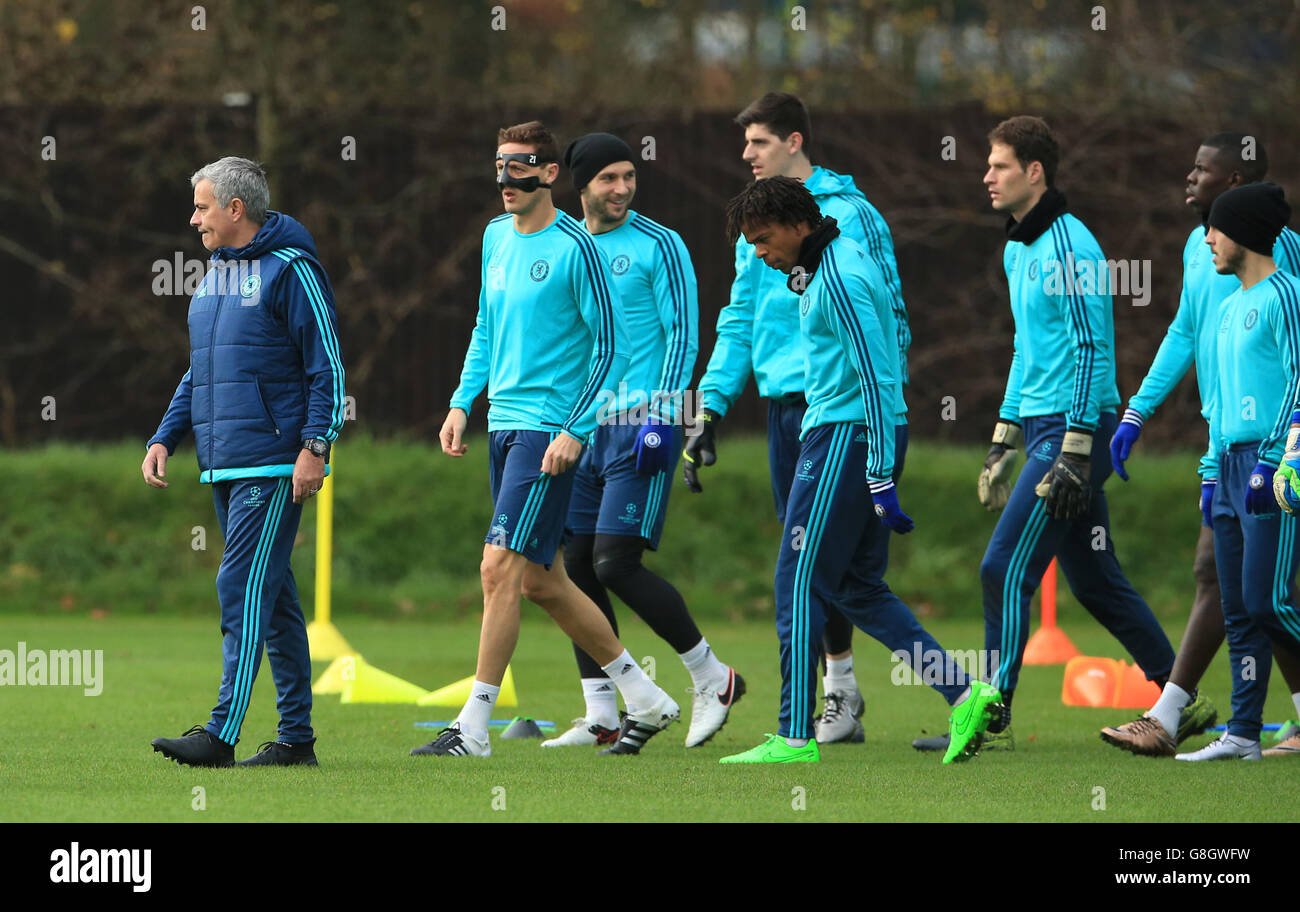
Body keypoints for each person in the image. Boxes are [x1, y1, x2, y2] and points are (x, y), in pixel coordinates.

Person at [716, 176, 1000, 765]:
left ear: (799, 225)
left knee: (796, 579)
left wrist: (877, 471)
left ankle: (793, 737)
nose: (760, 253)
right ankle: (965, 693)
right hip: (861, 430)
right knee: (855, 587)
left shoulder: (841, 275)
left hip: (845, 434)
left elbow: (877, 373)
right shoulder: (830, 261)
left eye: (764, 240)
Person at [416, 121, 679, 758]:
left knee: (497, 568)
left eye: (521, 166)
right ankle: (646, 697)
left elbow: (611, 348)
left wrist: (577, 428)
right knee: (544, 582)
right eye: (499, 165)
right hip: (504, 425)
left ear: (550, 174)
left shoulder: (576, 248)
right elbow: (484, 326)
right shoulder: (493, 238)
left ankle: (473, 728)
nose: (506, 179)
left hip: (547, 433)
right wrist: (460, 402)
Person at [687, 92, 913, 744]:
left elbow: (889, 312)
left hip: (845, 411)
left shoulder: (848, 214)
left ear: (792, 140)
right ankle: (837, 700)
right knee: (814, 565)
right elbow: (738, 319)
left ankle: (829, 705)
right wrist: (710, 405)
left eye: (757, 142)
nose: (746, 154)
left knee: (826, 569)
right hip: (787, 409)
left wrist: (885, 417)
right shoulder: (757, 224)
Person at [957, 117, 1177, 754]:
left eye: (998, 166)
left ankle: (989, 711)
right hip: (1046, 427)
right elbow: (1028, 349)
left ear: (1034, 172)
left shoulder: (1072, 247)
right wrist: (1004, 436)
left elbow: (1091, 350)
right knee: (1096, 582)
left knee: (1003, 566)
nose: (986, 177)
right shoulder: (1016, 247)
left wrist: (1076, 449)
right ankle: (1178, 697)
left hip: (1079, 430)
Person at [540, 133, 743, 750]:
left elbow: (683, 337)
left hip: (641, 423)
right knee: (574, 567)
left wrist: (670, 417)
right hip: (581, 427)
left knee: (615, 562)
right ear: (581, 186)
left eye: (629, 176)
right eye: (608, 179)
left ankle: (713, 676)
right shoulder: (566, 247)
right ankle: (602, 712)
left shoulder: (661, 244)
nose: (623, 188)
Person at [1101, 134, 1300, 757]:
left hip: (1274, 454)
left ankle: (1172, 712)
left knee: (1244, 587)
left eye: (1202, 170)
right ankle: (1243, 729)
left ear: (1236, 186)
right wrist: (1137, 410)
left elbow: (1289, 367)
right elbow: (1188, 333)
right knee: (1238, 589)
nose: (1188, 177)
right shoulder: (1201, 248)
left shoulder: (1281, 261)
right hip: (1228, 449)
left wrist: (1284, 454)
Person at [147, 156, 346, 768]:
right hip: (223, 464)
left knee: (238, 584)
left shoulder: (291, 270)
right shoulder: (211, 278)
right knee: (277, 599)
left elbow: (329, 368)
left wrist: (314, 448)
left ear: (236, 209)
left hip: (271, 464)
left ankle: (221, 735)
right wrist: (165, 436)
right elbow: (201, 372)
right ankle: (296, 742)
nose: (193, 219)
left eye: (202, 207)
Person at [1173, 182, 1300, 760]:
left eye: (1215, 229)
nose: (1207, 240)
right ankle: (1244, 733)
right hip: (1228, 467)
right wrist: (1209, 468)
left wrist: (1274, 459)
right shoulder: (1225, 309)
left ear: (1243, 233)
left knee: (1267, 600)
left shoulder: (1287, 296)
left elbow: (1298, 381)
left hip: (1272, 468)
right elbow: (1219, 401)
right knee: (1237, 609)